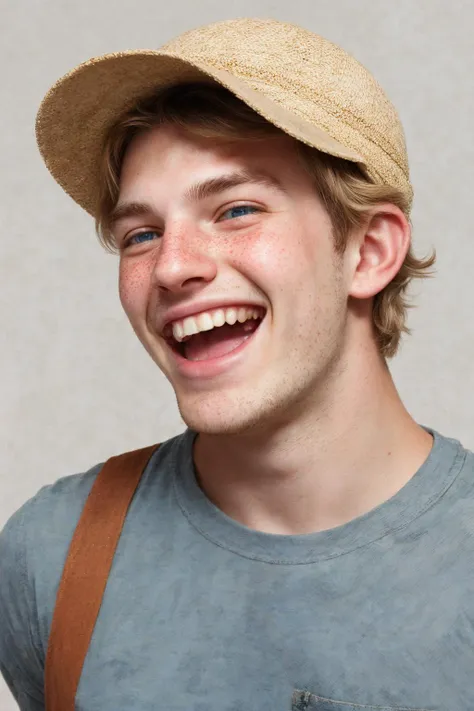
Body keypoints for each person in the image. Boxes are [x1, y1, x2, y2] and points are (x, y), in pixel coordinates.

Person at [1, 16, 473, 711]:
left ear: (369, 251)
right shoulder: (54, 557)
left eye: (237, 209)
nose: (172, 266)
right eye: (141, 233)